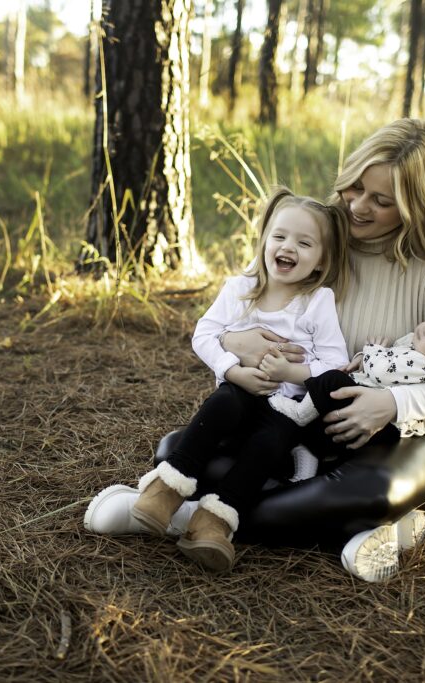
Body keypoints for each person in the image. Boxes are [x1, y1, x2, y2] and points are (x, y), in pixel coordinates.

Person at [85, 118, 425, 583]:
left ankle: (173, 516)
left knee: (367, 491)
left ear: (417, 207)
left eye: (381, 201)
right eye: (355, 188)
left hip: (401, 436)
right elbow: (248, 300)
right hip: (304, 422)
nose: (358, 206)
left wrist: (391, 403)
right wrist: (234, 343)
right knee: (178, 448)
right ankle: (360, 531)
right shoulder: (322, 239)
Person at [129, 188, 350, 573]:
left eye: (304, 242)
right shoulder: (241, 289)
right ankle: (166, 488)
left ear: (320, 262)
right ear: (264, 241)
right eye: (279, 237)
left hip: (286, 407)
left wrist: (292, 374)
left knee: (270, 443)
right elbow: (204, 334)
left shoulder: (317, 300)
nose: (288, 247)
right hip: (240, 389)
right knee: (222, 405)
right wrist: (232, 370)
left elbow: (337, 362)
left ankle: (213, 523)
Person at [269, 299, 425, 469]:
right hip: (358, 413)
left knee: (332, 382)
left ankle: (299, 416)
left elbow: (381, 370)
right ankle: (308, 458)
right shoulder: (424, 347)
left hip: (385, 424)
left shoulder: (423, 360)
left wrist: (390, 396)